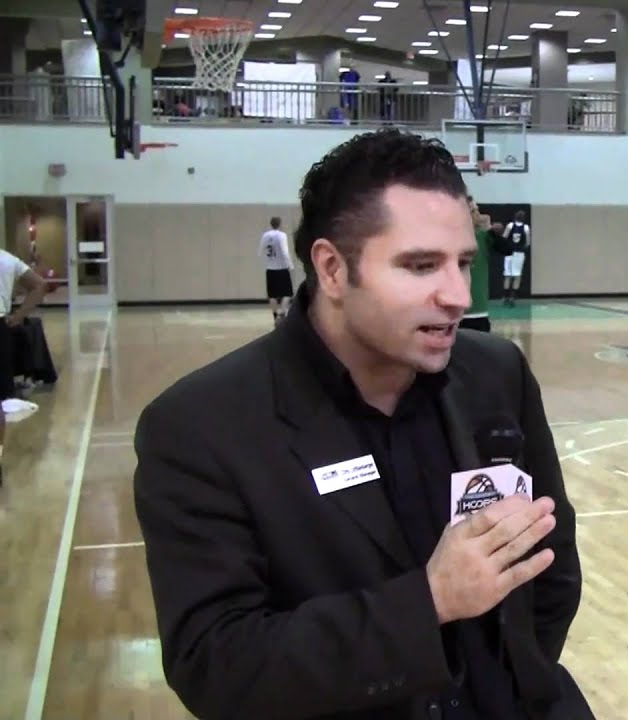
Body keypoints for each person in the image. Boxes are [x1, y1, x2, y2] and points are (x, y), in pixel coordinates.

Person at [133, 128, 592, 720]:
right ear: (331, 269)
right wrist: (428, 604)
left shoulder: (494, 373)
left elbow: (551, 563)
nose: (456, 294)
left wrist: (511, 685)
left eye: (464, 263)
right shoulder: (202, 427)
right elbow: (217, 664)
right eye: (421, 265)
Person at [0, 248, 47, 485]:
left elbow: (39, 285)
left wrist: (18, 316)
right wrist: (18, 316)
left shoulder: (7, 260)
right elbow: (39, 285)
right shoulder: (7, 260)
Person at [462, 195, 505, 333]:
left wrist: (494, 232)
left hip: (479, 312)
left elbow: (507, 249)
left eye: (477, 210)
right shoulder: (449, 238)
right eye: (474, 211)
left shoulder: (483, 235)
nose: (478, 214)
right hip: (456, 312)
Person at [259, 216, 295, 324]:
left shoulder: (265, 235)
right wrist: (290, 264)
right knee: (287, 293)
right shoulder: (282, 235)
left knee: (272, 294)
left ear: (271, 224)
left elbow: (260, 251)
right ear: (280, 224)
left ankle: (275, 316)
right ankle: (283, 313)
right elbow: (285, 251)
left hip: (270, 269)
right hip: (282, 268)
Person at [502, 210, 530, 307]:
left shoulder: (510, 225)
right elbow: (527, 242)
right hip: (519, 253)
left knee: (507, 275)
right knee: (517, 276)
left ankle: (505, 297)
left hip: (509, 252)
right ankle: (512, 297)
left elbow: (504, 237)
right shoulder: (526, 227)